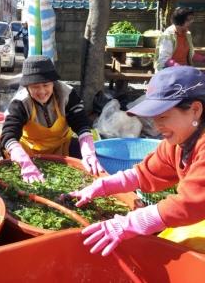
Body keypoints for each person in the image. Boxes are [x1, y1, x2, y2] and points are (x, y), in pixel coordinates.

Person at [63, 66, 205, 256]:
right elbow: (148, 172)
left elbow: (190, 203)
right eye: (154, 118)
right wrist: (104, 185)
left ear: (195, 110)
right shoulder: (179, 141)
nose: (157, 126)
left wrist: (130, 223)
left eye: (163, 116)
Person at [0, 55, 103, 183]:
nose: (42, 91)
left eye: (46, 85)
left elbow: (81, 123)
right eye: (35, 86)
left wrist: (88, 152)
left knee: (91, 163)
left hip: (61, 146)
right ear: (27, 87)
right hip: (30, 152)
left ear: (53, 83)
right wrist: (24, 162)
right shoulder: (20, 103)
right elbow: (8, 135)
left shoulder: (67, 94)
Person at [155, 7, 205, 71]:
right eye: (189, 20)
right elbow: (164, 59)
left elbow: (191, 55)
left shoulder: (187, 34)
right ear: (180, 20)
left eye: (192, 19)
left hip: (184, 71)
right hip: (169, 72)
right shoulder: (168, 35)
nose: (191, 22)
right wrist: (180, 68)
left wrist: (203, 59)